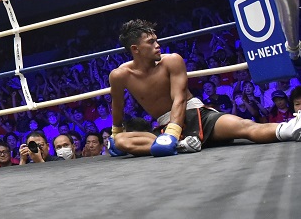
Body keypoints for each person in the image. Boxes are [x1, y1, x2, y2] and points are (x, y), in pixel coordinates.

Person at [108, 20, 301, 157]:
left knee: (245, 127)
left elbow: (179, 99)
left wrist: (172, 134)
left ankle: (293, 128)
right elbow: (117, 105)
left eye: (156, 40)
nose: (158, 46)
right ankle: (182, 146)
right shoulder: (119, 75)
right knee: (121, 141)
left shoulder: (171, 61)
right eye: (151, 43)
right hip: (166, 126)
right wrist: (115, 134)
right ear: (135, 49)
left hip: (196, 115)